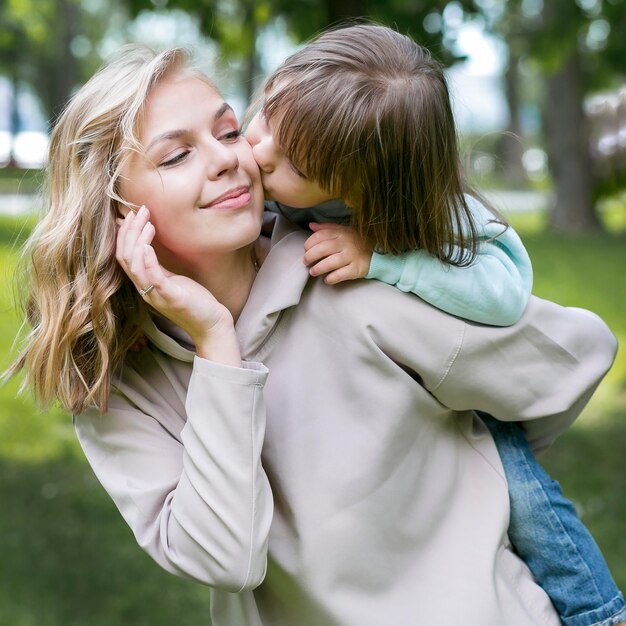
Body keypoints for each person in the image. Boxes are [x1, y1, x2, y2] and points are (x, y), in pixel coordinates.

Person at [4, 44, 619, 626]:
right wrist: (219, 343)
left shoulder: (352, 283)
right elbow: (226, 557)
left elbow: (568, 363)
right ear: (112, 211)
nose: (226, 158)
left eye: (226, 131)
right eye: (175, 155)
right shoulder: (116, 387)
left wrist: (474, 457)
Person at [245, 23, 626, 626]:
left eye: (289, 161)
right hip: (392, 388)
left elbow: (502, 293)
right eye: (264, 117)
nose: (257, 150)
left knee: (527, 499)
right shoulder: (289, 156)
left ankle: (597, 611)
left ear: (361, 186)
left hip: (471, 385)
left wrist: (382, 259)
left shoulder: (437, 210)